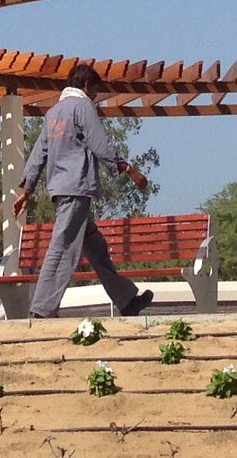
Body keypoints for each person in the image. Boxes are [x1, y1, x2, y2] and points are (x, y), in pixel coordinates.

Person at [17, 63, 156, 321]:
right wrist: (128, 169)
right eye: (95, 91)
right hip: (76, 187)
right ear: (86, 85)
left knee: (95, 247)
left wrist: (27, 189)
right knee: (62, 247)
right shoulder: (82, 107)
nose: (95, 97)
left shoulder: (54, 113)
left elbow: (39, 153)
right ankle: (42, 310)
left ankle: (127, 301)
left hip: (60, 188)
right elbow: (99, 142)